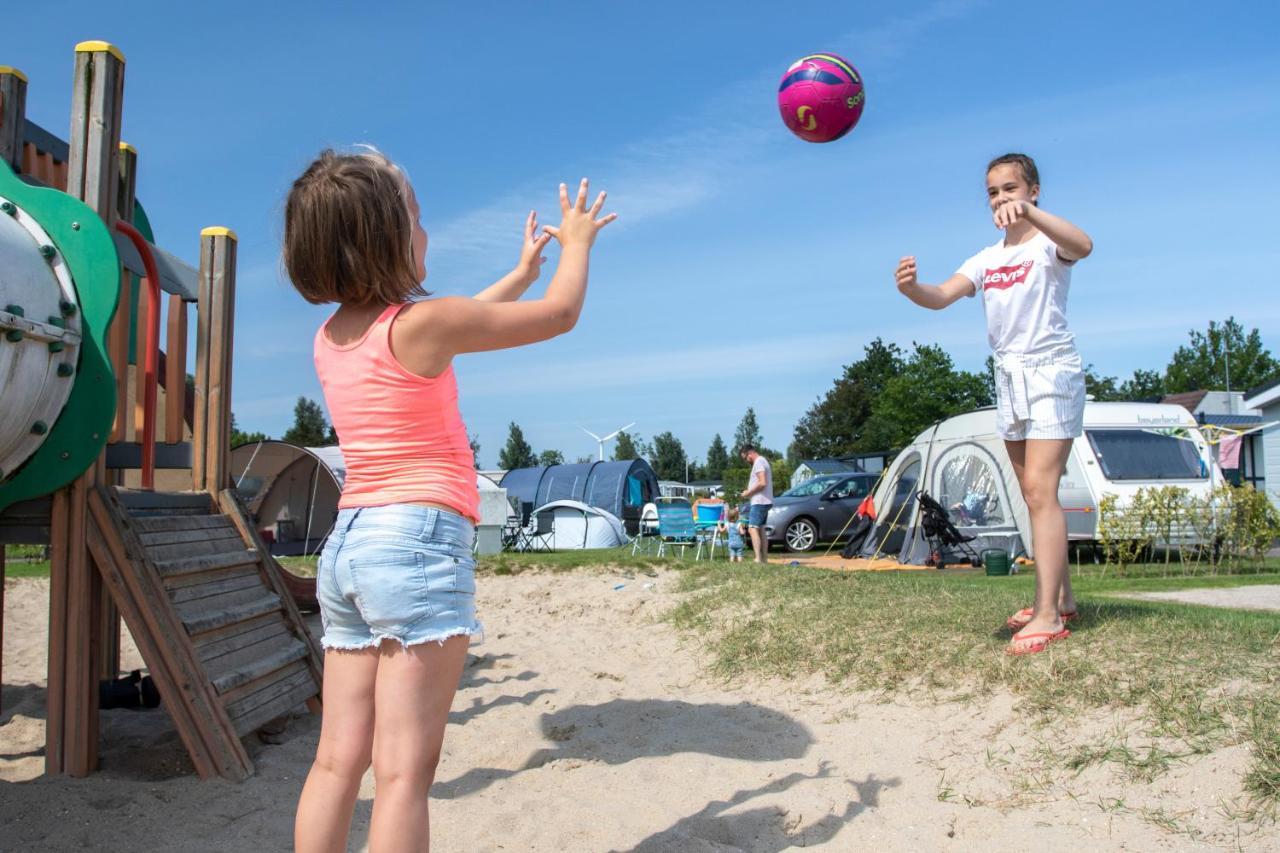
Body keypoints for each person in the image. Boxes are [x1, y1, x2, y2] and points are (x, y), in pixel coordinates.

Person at [285, 148, 615, 852]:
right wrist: (573, 250)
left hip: (347, 550)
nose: (426, 230)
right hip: (413, 544)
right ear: (387, 240)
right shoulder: (420, 327)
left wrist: (519, 274)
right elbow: (559, 315)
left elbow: (455, 324)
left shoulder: (333, 337)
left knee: (338, 759)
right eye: (417, 216)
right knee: (404, 773)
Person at [894, 152, 1091, 656]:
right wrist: (913, 287)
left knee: (1043, 490)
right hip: (1008, 378)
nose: (1001, 198)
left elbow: (1084, 245)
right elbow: (940, 296)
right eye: (993, 192)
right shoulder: (986, 259)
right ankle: (1062, 598)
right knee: (1030, 493)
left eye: (1010, 188)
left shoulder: (1049, 243)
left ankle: (1048, 616)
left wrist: (1029, 216)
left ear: (1033, 190)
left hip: (1051, 370)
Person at [739, 445, 773, 563]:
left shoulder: (758, 462)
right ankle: (764, 559)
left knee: (752, 529)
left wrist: (748, 492)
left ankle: (758, 558)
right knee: (761, 529)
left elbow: (762, 483)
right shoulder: (763, 461)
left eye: (745, 458)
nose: (746, 461)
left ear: (749, 453)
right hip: (765, 500)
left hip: (759, 501)